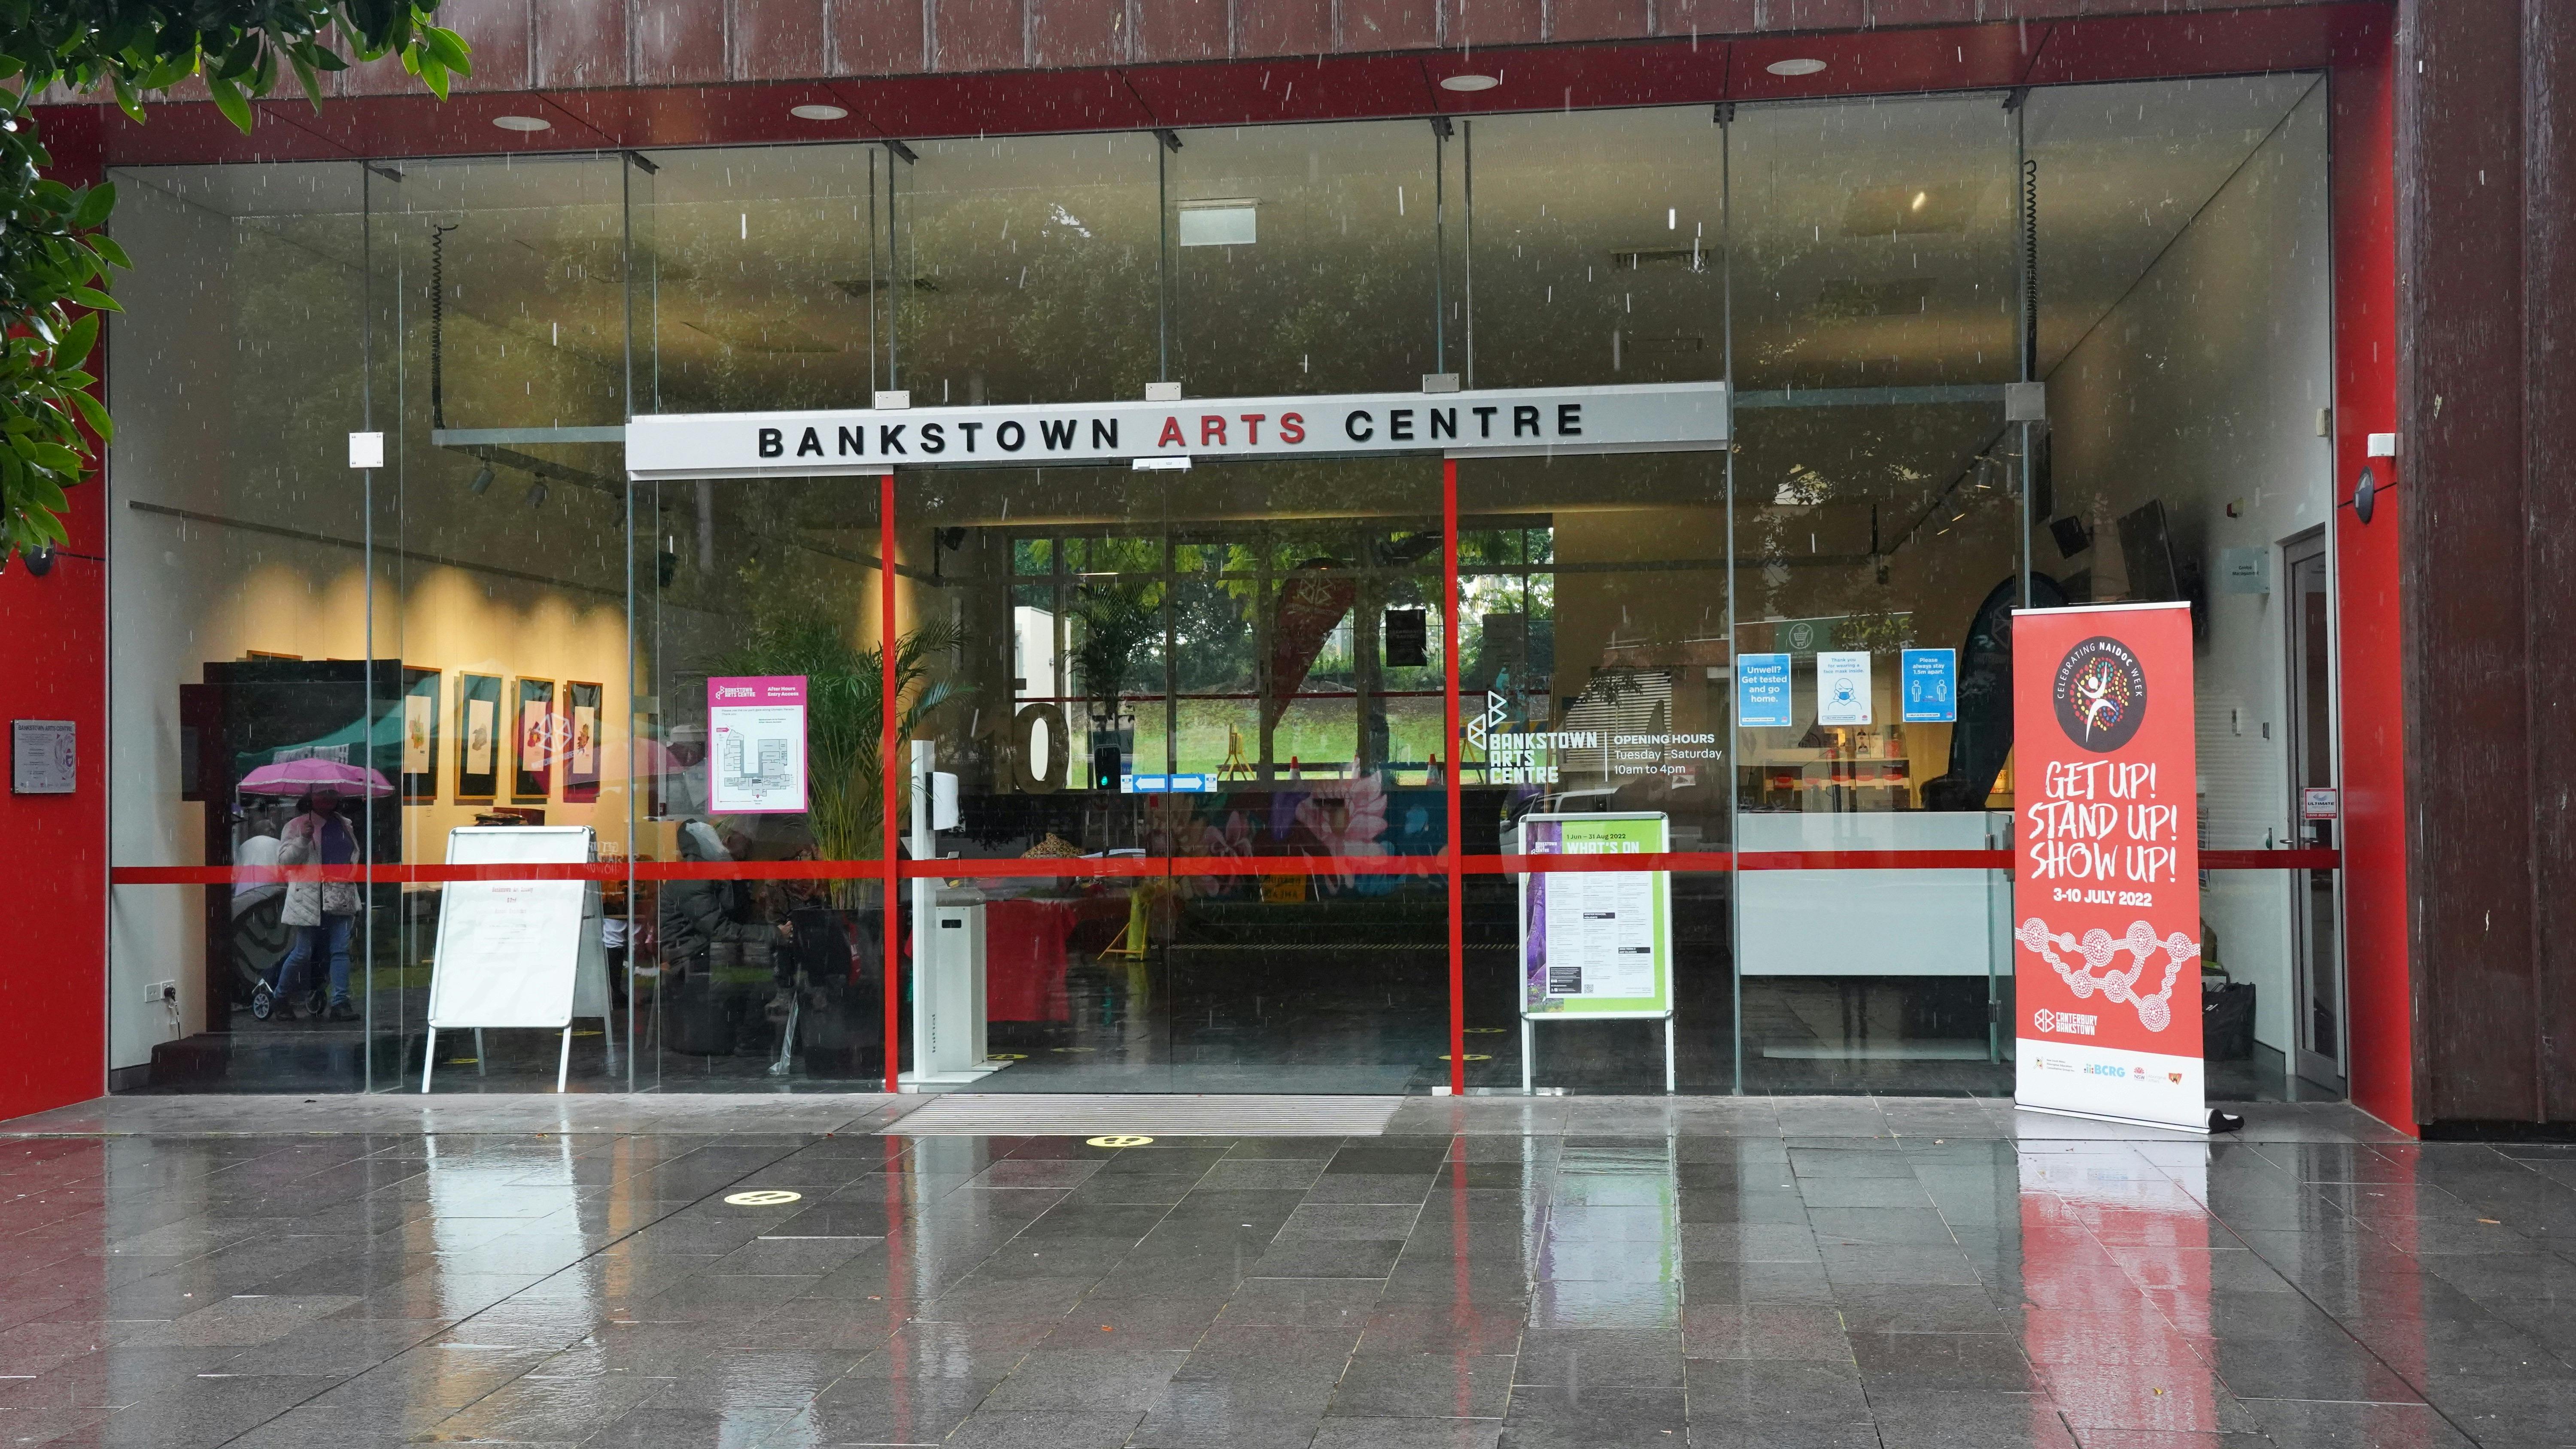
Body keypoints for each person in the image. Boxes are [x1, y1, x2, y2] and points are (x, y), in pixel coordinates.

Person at [261, 787, 362, 1022]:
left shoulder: (345, 824)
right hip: (310, 897)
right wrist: (303, 839)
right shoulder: (297, 825)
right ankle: (280, 997)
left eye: (332, 793)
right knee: (303, 952)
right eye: (322, 793)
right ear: (310, 796)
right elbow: (285, 863)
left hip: (341, 895)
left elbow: (350, 859)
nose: (328, 798)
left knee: (340, 951)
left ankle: (341, 1003)